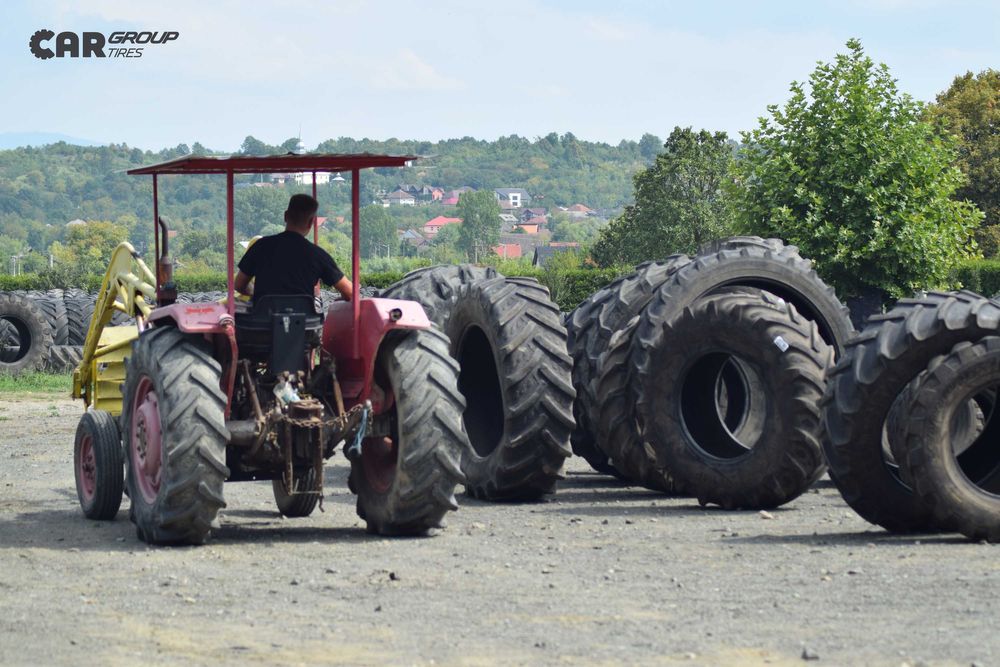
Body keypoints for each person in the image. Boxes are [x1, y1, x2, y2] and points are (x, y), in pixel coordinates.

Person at [234, 194, 353, 303]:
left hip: (263, 318)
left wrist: (258, 294)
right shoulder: (318, 255)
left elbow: (239, 285)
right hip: (305, 319)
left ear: (286, 216)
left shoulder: (260, 246)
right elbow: (350, 292)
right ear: (311, 222)